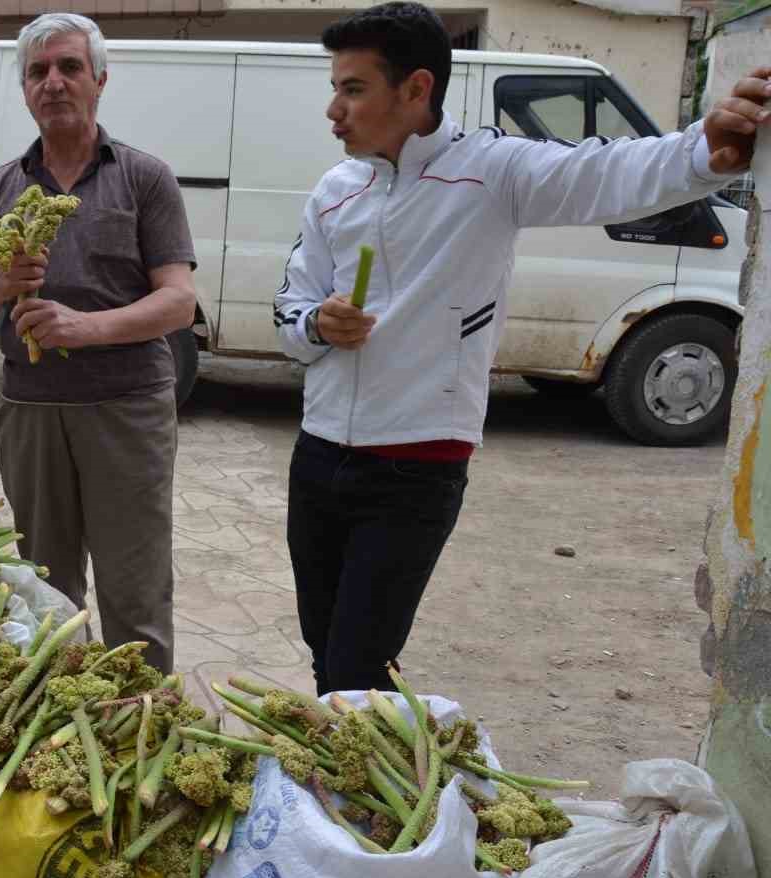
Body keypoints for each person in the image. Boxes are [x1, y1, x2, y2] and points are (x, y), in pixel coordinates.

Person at [273, 1, 769, 696]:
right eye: (335, 88)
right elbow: (291, 309)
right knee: (324, 649)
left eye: (352, 89)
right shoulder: (334, 192)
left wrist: (701, 150)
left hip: (416, 464)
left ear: (416, 89)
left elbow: (602, 173)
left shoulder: (491, 171)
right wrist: (319, 326)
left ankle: (366, 760)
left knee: (359, 664)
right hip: (319, 454)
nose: (334, 110)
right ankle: (349, 759)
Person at [0, 12, 197, 674]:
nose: (53, 82)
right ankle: (59, 713)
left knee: (135, 591)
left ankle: (142, 717)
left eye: (69, 67)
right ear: (25, 90)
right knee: (45, 589)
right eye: (38, 71)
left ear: (99, 80)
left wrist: (85, 328)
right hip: (30, 413)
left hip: (128, 411)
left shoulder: (144, 177)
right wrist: (1, 281)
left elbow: (179, 300)